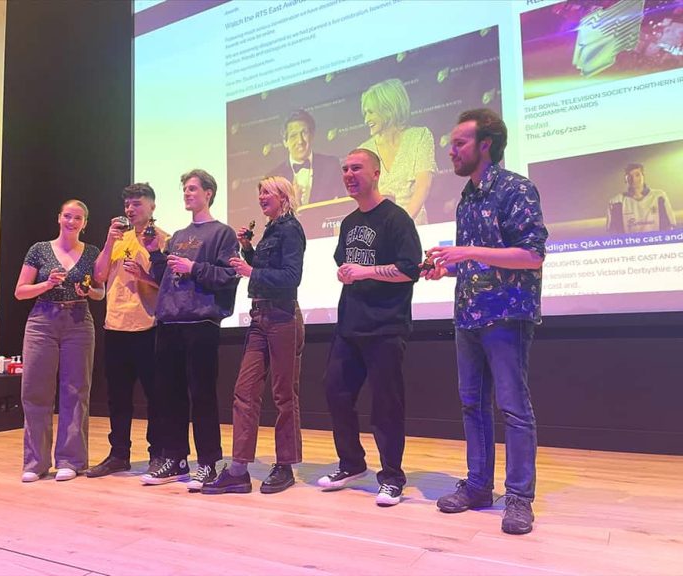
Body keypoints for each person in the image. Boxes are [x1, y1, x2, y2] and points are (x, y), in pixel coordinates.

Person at [423, 108, 548, 535]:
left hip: (507, 314)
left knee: (513, 408)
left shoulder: (516, 189)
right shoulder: (468, 197)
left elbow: (532, 255)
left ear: (485, 145)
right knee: (472, 404)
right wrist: (448, 268)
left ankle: (519, 498)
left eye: (459, 143)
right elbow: (478, 258)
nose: (451, 151)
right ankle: (478, 485)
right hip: (469, 315)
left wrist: (467, 253)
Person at [317, 149, 422, 507]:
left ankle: (392, 477)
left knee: (386, 405)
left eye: (356, 168)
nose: (348, 174)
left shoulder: (396, 219)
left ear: (376, 173)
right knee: (335, 392)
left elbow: (411, 269)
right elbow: (343, 263)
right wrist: (347, 271)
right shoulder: (347, 223)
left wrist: (364, 271)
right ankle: (351, 464)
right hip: (350, 325)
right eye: (344, 168)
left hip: (386, 327)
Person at [202, 176, 307, 495]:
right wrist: (248, 251)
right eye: (259, 192)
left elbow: (291, 277)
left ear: (283, 196)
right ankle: (238, 469)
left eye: (267, 192)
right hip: (260, 316)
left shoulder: (291, 229)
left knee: (283, 394)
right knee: (244, 391)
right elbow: (266, 273)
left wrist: (251, 271)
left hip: (283, 315)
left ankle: (285, 465)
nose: (261, 197)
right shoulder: (272, 229)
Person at [141, 169, 240, 489]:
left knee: (202, 396)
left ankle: (209, 462)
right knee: (169, 395)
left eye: (193, 188)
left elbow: (229, 275)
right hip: (169, 321)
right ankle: (176, 458)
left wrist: (193, 267)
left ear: (209, 193)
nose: (187, 193)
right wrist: (156, 253)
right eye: (184, 189)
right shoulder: (179, 236)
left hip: (201, 322)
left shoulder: (222, 233)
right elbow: (164, 279)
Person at [14, 199, 105, 483]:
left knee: (75, 391)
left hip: (79, 321)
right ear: (59, 218)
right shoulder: (39, 250)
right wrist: (47, 284)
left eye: (78, 218)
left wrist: (87, 291)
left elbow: (101, 292)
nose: (72, 222)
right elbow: (20, 291)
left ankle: (71, 460)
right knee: (35, 390)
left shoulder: (92, 252)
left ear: (85, 223)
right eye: (68, 216)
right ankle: (35, 462)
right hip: (42, 320)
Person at [86, 183, 170, 479]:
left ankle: (157, 453)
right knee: (117, 397)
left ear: (152, 206)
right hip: (115, 326)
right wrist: (109, 242)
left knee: (155, 396)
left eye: (137, 204)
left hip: (148, 325)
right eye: (128, 205)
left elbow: (169, 285)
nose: (131, 209)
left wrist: (144, 276)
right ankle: (118, 454)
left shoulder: (163, 240)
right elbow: (98, 276)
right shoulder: (118, 239)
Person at [358, 78, 437, 224]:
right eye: (365, 114)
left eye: (371, 112)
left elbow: (423, 186)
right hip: (379, 233)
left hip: (414, 229)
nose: (366, 119)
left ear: (388, 110)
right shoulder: (363, 151)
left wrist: (401, 224)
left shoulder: (419, 137)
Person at [268, 109, 346, 206]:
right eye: (293, 136)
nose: (300, 141)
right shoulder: (273, 179)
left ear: (312, 136)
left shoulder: (331, 165)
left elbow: (343, 205)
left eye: (304, 133)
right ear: (285, 142)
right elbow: (269, 218)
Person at [606, 163, 676, 234]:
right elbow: (613, 232)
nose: (634, 179)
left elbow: (670, 226)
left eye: (637, 175)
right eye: (630, 176)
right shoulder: (616, 202)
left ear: (643, 176)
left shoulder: (659, 196)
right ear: (625, 179)